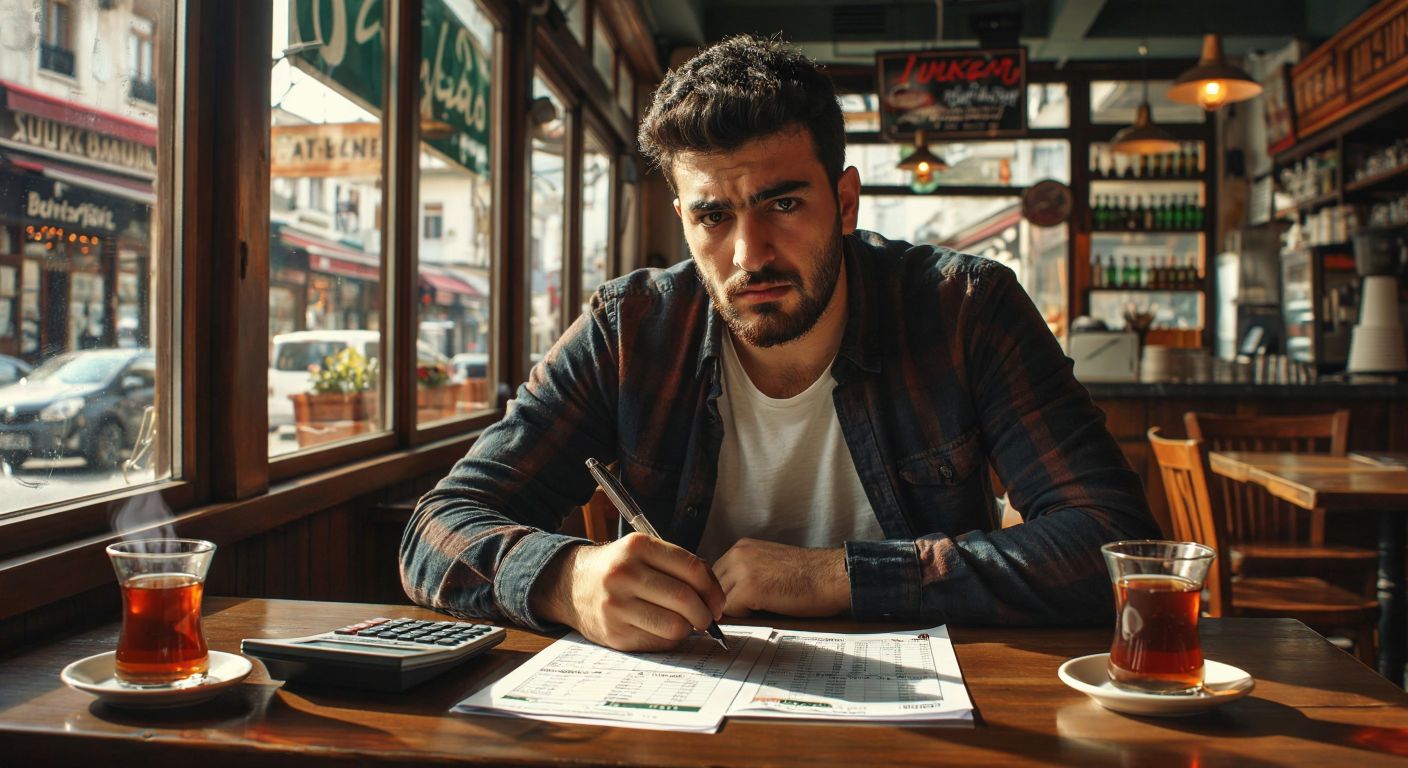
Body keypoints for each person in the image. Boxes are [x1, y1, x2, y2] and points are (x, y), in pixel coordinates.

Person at [401, 35, 1159, 652]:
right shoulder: (628, 330)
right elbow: (437, 526)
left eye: (783, 203)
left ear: (847, 200)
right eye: (713, 217)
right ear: (683, 219)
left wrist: (835, 577)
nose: (747, 255)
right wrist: (568, 579)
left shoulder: (964, 309)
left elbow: (1113, 544)